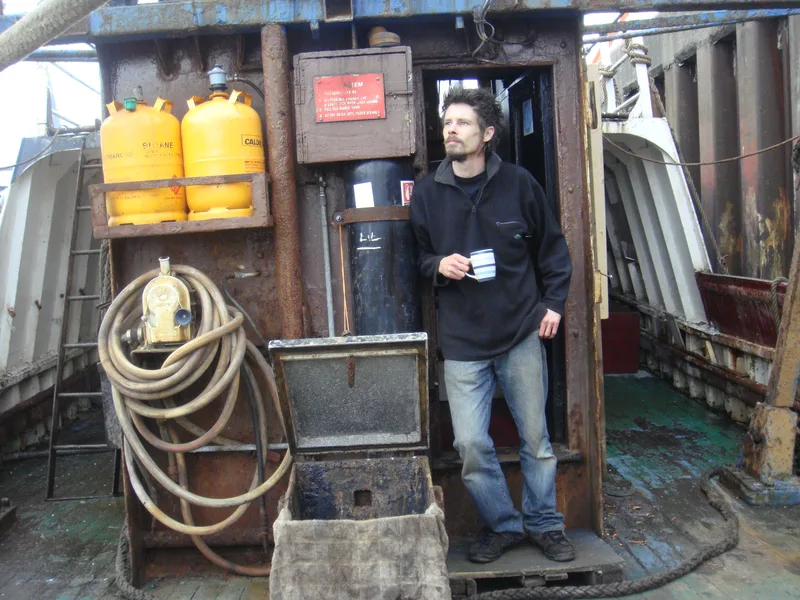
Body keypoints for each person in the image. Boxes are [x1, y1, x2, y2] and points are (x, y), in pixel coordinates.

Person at [410, 86, 574, 564]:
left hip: (521, 332)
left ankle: (545, 525)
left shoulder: (520, 184)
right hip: (462, 341)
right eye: (447, 124)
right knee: (470, 444)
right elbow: (418, 258)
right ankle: (502, 525)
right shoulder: (427, 193)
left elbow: (553, 252)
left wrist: (553, 305)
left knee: (536, 440)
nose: (451, 131)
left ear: (486, 134)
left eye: (461, 123)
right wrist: (439, 264)